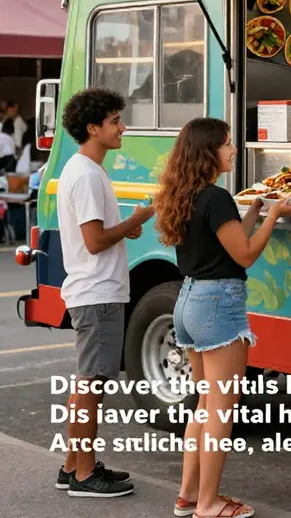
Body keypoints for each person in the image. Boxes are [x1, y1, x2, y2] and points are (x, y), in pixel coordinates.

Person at [154, 117, 291, 518]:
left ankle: (188, 496)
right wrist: (275, 215)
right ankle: (208, 503)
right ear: (207, 152)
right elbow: (245, 254)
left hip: (189, 300)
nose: (234, 149)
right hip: (219, 305)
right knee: (221, 410)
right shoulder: (216, 197)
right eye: (227, 144)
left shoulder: (186, 194)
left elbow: (229, 240)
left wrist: (255, 208)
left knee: (205, 405)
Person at [55, 87, 155, 497]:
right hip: (97, 293)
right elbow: (95, 241)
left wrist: (124, 229)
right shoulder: (86, 175)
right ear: (93, 128)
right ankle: (84, 475)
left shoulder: (85, 170)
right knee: (90, 385)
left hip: (94, 290)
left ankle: (72, 466)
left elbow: (95, 236)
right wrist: (139, 218)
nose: (122, 128)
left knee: (87, 382)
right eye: (115, 121)